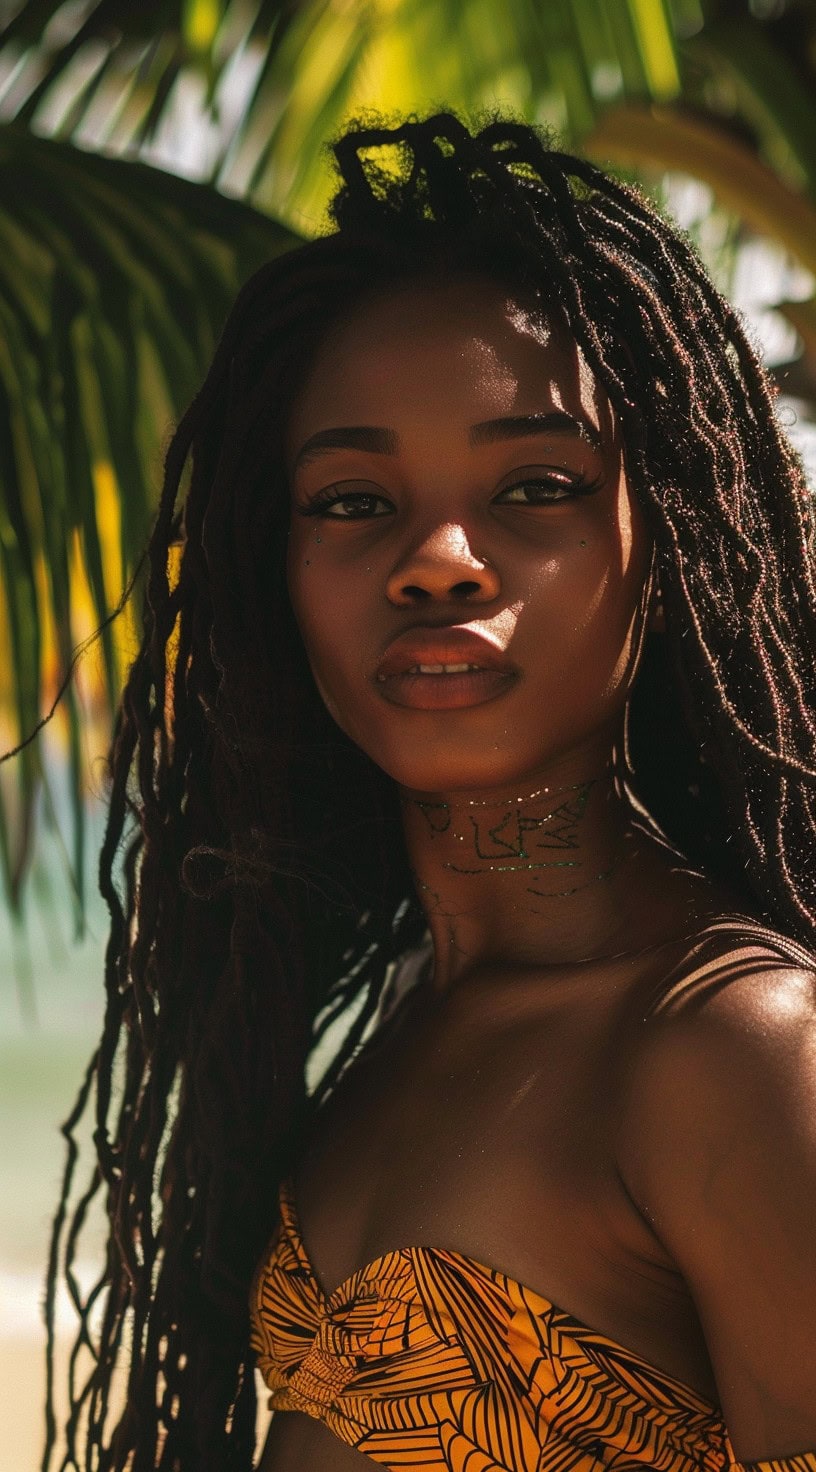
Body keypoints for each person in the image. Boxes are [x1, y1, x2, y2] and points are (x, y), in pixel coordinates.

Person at [43, 113, 816, 1472]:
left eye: (536, 485)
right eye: (351, 501)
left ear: (669, 545)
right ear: (271, 569)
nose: (440, 561)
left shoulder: (731, 1047)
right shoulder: (407, 1014)